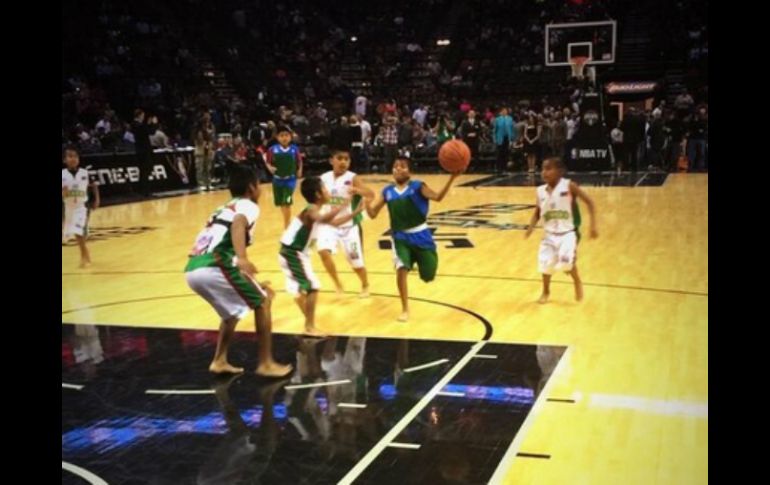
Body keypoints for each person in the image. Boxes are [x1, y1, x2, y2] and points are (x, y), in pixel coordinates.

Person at [184, 165, 292, 377]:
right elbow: (238, 224)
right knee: (263, 301)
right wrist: (243, 258)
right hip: (214, 265)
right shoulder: (248, 205)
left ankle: (219, 360)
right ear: (252, 188)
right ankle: (266, 363)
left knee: (231, 312)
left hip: (193, 269)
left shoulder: (222, 208)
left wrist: (248, 277)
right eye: (259, 185)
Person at [365, 157, 463, 321]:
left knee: (428, 275)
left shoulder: (418, 186)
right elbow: (373, 214)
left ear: (410, 171)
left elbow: (438, 197)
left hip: (421, 234)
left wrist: (452, 178)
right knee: (401, 269)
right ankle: (405, 309)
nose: (398, 169)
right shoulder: (387, 191)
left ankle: (417, 262)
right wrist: (366, 203)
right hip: (399, 237)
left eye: (402, 166)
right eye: (395, 166)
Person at [279, 176, 366, 337]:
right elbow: (323, 219)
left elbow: (334, 223)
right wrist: (344, 204)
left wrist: (355, 212)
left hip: (295, 253)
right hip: (293, 252)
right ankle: (309, 327)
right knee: (313, 286)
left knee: (307, 288)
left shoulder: (316, 210)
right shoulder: (311, 209)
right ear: (318, 194)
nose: (328, 192)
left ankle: (302, 304)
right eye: (325, 189)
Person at [524, 157, 598, 304]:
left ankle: (577, 281)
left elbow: (589, 202)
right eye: (543, 169)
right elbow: (538, 212)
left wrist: (593, 226)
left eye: (549, 168)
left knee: (566, 264)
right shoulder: (540, 191)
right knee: (545, 265)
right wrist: (530, 227)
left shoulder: (569, 186)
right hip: (549, 234)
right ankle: (545, 292)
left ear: (560, 172)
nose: (544, 172)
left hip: (568, 233)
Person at [316, 149, 375, 297]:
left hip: (350, 227)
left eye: (346, 159)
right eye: (339, 158)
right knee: (323, 251)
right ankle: (337, 284)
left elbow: (371, 194)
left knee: (356, 263)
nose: (343, 162)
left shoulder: (353, 177)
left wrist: (357, 190)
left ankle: (365, 284)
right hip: (329, 224)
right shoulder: (323, 178)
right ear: (331, 160)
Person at [62, 145, 100, 267]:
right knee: (75, 232)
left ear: (78, 159)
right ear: (64, 160)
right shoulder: (62, 174)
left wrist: (97, 200)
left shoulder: (85, 173)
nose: (73, 159)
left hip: (82, 206)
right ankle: (84, 253)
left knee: (79, 231)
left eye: (75, 156)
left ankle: (85, 255)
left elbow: (94, 186)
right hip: (68, 207)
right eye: (70, 156)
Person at [265, 126, 303, 229]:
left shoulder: (294, 149)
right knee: (281, 203)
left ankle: (287, 225)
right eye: (282, 135)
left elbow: (299, 161)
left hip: (290, 180)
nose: (284, 138)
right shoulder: (272, 150)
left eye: (286, 135)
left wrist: (299, 170)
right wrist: (270, 168)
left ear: (290, 137)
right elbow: (268, 162)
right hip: (277, 180)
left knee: (287, 201)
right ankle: (286, 220)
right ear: (277, 137)